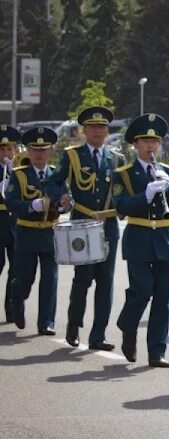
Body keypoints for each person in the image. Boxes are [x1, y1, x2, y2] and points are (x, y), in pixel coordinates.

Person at [112, 114, 169, 368]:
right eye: (145, 141)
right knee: (142, 290)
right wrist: (145, 195)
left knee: (162, 299)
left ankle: (157, 351)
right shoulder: (123, 174)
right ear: (136, 144)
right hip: (139, 238)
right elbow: (121, 206)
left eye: (154, 141)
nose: (151, 146)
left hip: (165, 239)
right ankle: (128, 324)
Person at [47, 106, 125, 350]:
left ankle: (98, 335)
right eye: (93, 127)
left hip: (109, 225)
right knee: (83, 280)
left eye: (102, 127)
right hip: (82, 224)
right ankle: (73, 326)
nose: (98, 131)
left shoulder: (117, 159)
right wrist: (61, 197)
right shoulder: (73, 155)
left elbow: (124, 189)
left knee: (106, 282)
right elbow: (54, 181)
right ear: (84, 130)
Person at [5, 127, 70, 333]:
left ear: (50, 151)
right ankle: (17, 300)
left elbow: (65, 201)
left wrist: (63, 204)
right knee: (25, 278)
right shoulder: (19, 175)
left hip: (50, 233)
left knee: (50, 279)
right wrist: (32, 206)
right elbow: (11, 202)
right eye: (35, 149)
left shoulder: (56, 175)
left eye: (44, 149)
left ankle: (46, 322)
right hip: (27, 232)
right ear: (29, 152)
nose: (40, 154)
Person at [0, 125, 20, 323]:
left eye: (9, 149)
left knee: (16, 268)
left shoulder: (19, 170)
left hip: (15, 222)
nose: (6, 153)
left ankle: (11, 308)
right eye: (2, 149)